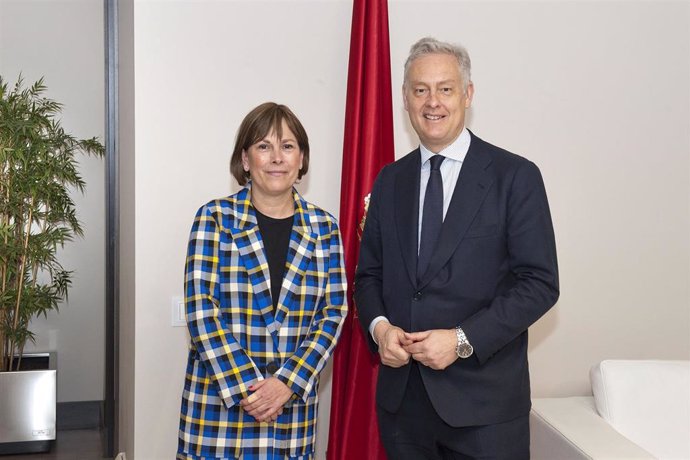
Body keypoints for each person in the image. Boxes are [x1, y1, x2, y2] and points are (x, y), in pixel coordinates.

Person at [355, 37, 559, 459]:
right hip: (403, 410)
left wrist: (462, 340)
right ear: (406, 99)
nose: (433, 102)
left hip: (485, 411)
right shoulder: (389, 181)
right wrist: (379, 329)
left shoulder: (514, 176)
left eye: (445, 88)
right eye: (420, 90)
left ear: (467, 94)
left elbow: (539, 284)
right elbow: (369, 275)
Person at [177, 102, 347, 459]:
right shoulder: (215, 219)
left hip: (290, 411)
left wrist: (287, 383)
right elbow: (201, 311)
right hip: (221, 412)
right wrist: (250, 390)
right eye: (263, 146)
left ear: (301, 159)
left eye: (287, 146)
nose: (276, 158)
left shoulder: (325, 228)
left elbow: (333, 313)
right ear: (245, 159)